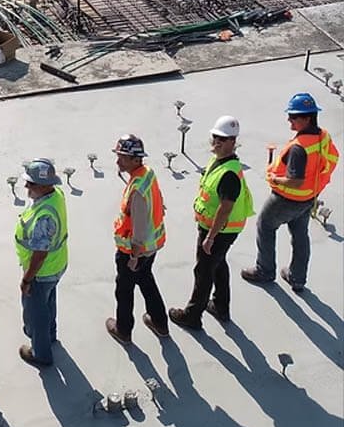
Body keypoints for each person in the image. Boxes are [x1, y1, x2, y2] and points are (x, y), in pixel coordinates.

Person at [241, 93, 339, 293]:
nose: (289, 120)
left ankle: (265, 270)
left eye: (294, 116)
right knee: (300, 235)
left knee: (265, 226)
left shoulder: (298, 148)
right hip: (309, 197)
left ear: (307, 118)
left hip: (287, 199)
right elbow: (327, 161)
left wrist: (275, 179)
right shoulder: (322, 136)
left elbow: (295, 181)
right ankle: (297, 278)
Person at [170, 116, 255, 329]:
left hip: (219, 231)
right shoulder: (218, 162)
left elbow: (225, 208)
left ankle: (192, 315)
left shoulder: (229, 174)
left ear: (233, 142)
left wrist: (210, 237)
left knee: (204, 271)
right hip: (217, 229)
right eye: (215, 137)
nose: (217, 142)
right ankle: (221, 306)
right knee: (218, 264)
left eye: (223, 139)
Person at [105, 135, 169, 345]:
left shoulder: (138, 190)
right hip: (152, 246)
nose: (118, 161)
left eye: (122, 157)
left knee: (124, 290)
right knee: (146, 280)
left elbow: (139, 228)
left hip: (134, 251)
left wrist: (133, 256)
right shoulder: (147, 174)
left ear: (135, 160)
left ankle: (123, 330)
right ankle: (160, 322)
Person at [15, 158, 68, 366]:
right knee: (48, 302)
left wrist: (27, 280)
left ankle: (41, 353)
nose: (27, 186)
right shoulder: (56, 196)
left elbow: (39, 253)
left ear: (45, 186)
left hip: (42, 272)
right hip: (57, 266)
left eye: (31, 183)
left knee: (36, 313)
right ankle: (50, 335)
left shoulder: (43, 217)